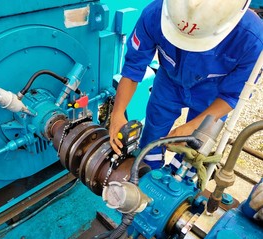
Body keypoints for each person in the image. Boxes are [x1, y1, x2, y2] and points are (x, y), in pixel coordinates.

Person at [109, 0, 263, 176]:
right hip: (168, 83)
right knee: (152, 139)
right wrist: (117, 113)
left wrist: (193, 126)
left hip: (213, 96)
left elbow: (232, 95)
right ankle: (147, 174)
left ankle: (181, 179)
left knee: (194, 150)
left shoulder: (253, 40)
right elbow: (133, 68)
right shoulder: (155, 14)